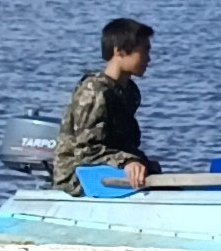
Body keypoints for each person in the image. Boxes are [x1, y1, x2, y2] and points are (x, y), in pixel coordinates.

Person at [51, 18, 161, 190]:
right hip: (77, 177)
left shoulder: (127, 91)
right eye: (144, 51)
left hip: (109, 167)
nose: (149, 59)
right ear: (120, 51)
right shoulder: (94, 91)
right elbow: (86, 151)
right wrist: (127, 162)